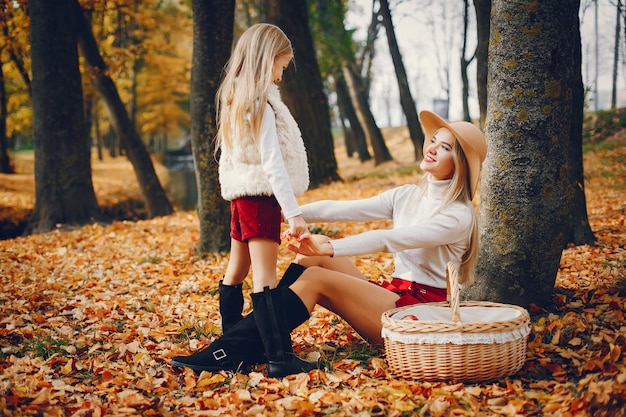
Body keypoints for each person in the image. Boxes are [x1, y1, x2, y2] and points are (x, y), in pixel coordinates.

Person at [171, 110, 487, 376]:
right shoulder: (407, 194)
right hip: (393, 296)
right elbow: (341, 208)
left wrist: (331, 246)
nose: (431, 148)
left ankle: (229, 352)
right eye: (433, 140)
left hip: (418, 316)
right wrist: (285, 213)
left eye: (444, 147)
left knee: (317, 277)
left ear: (459, 163)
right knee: (311, 262)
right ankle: (262, 345)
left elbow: (389, 240)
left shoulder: (457, 216)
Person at [212, 23, 314, 377]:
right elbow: (272, 164)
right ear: (268, 59)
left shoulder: (235, 98)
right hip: (260, 199)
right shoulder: (262, 105)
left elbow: (230, 159)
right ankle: (279, 357)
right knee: (266, 280)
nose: (280, 76)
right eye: (281, 67)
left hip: (241, 198)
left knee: (236, 270)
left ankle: (231, 341)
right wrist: (293, 212)